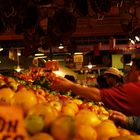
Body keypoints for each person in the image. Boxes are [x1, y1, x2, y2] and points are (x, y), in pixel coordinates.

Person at [51, 57, 140, 116]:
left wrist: (70, 86)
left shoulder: (132, 89)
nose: (128, 74)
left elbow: (98, 95)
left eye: (131, 70)